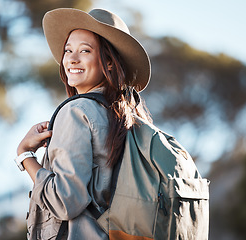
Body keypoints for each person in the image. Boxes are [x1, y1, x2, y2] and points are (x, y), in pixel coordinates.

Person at [14, 8, 152, 240]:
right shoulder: (130, 118)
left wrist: (24, 155)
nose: (71, 58)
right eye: (68, 50)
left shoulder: (76, 112)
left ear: (109, 62)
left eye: (85, 50)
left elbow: (66, 201)